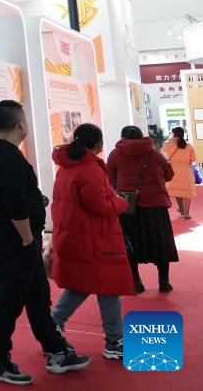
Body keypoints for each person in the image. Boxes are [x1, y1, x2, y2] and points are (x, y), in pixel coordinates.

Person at [0, 100, 90, 385]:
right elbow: (13, 202)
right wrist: (28, 236)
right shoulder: (7, 156)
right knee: (10, 299)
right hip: (15, 241)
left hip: (17, 241)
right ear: (20, 124)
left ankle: (55, 350)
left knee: (38, 297)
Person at [49, 123, 134, 362]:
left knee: (81, 285)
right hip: (96, 239)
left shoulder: (66, 167)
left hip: (77, 236)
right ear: (98, 145)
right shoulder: (90, 170)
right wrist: (121, 203)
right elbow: (99, 206)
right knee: (109, 289)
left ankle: (54, 326)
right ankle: (114, 341)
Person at [106, 125, 178, 293]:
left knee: (130, 243)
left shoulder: (116, 154)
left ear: (123, 137)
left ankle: (136, 281)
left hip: (128, 205)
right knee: (159, 242)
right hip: (156, 205)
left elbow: (109, 178)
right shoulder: (154, 153)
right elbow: (169, 174)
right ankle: (164, 281)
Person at [162, 127, 196, 219]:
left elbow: (164, 156)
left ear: (173, 133)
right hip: (186, 172)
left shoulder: (167, 144)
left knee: (177, 191)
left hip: (173, 171)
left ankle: (181, 209)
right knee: (186, 193)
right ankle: (186, 213)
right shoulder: (188, 145)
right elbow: (193, 159)